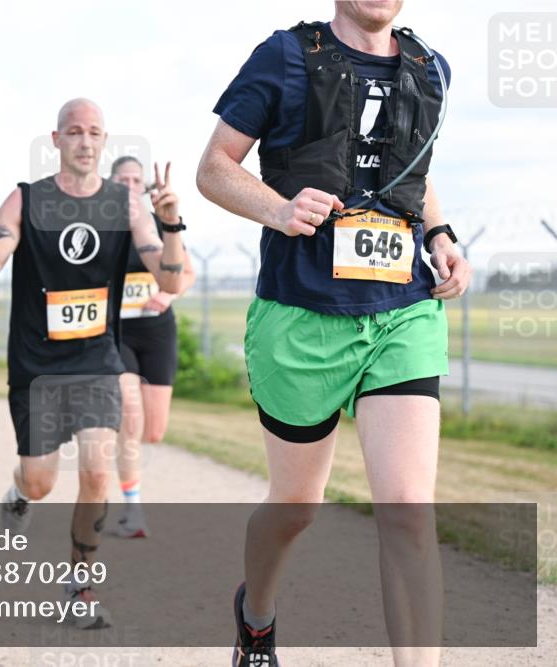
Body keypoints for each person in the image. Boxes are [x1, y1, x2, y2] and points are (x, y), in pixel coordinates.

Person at [195, 3, 470, 665]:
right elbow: (215, 168)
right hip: (302, 312)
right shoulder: (285, 56)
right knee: (296, 506)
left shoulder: (430, 66)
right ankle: (256, 615)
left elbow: (413, 168)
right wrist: (279, 208)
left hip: (403, 309)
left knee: (408, 508)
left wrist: (439, 233)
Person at [0, 98, 186, 630]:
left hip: (97, 358)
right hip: (37, 365)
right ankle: (20, 493)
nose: (84, 141)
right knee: (41, 481)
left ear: (103, 141)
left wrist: (172, 224)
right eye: (74, 131)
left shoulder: (125, 205)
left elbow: (171, 279)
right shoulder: (26, 199)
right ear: (56, 140)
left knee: (95, 470)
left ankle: (79, 587)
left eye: (93, 132)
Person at [108, 156, 197, 538]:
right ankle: (133, 508)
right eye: (122, 180)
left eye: (135, 180)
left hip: (157, 332)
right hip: (117, 334)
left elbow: (187, 274)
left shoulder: (160, 224)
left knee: (153, 431)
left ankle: (116, 439)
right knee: (130, 415)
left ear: (144, 187)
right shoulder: (102, 227)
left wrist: (168, 295)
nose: (129, 185)